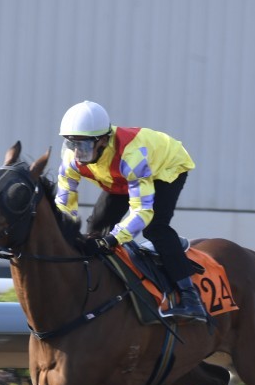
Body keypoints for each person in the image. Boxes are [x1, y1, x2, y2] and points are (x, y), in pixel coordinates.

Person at [54, 100, 207, 322]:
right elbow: (65, 206)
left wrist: (113, 240)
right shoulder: (71, 159)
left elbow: (142, 212)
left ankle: (191, 298)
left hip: (164, 167)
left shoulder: (132, 155)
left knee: (155, 228)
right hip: (121, 177)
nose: (78, 153)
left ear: (103, 140)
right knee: (95, 226)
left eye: (84, 146)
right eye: (71, 144)